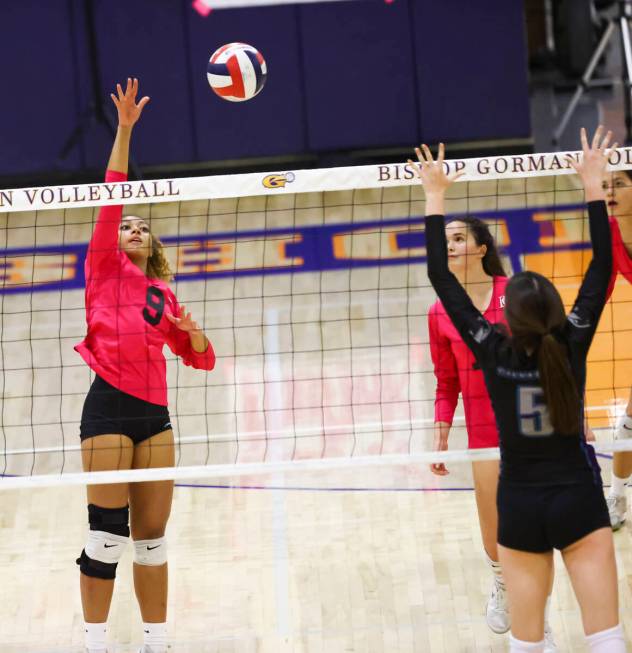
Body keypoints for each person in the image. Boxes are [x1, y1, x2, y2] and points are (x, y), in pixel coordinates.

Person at [413, 127, 626, 652]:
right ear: (556, 312)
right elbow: (603, 265)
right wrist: (593, 186)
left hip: (522, 502)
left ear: (509, 318)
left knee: (527, 645)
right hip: (578, 496)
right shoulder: (571, 343)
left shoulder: (493, 350)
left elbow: (442, 280)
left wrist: (434, 194)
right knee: (607, 640)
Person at [75, 78, 216, 653]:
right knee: (106, 538)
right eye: (127, 225)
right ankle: (94, 640)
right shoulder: (104, 264)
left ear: (153, 246)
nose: (132, 227)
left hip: (155, 416)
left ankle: (157, 642)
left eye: (141, 226)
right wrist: (126, 128)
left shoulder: (163, 295)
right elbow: (113, 191)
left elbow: (202, 361)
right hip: (108, 406)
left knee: (151, 539)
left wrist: (192, 331)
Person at [427, 214, 557, 638]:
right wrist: (442, 426)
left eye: (459, 238)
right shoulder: (439, 311)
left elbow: (549, 359)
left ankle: (540, 624)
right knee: (494, 530)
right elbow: (446, 379)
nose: (449, 247)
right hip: (482, 434)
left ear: (482, 249)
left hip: (529, 426)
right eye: (445, 240)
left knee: (536, 531)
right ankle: (502, 584)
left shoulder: (515, 296)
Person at [601, 169, 632, 530]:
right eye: (605, 184)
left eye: (619, 184)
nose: (610, 191)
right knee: (627, 424)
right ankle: (617, 496)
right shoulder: (610, 232)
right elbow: (602, 285)